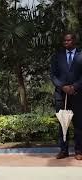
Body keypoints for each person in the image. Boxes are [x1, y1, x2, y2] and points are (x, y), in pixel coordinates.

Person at [50, 32, 82, 160]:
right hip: (61, 95)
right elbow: (53, 75)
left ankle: (79, 151)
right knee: (63, 123)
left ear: (74, 41)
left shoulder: (81, 55)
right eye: (64, 41)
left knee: (79, 124)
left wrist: (74, 87)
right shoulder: (57, 56)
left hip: (78, 94)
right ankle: (63, 150)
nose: (66, 43)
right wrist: (63, 87)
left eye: (68, 40)